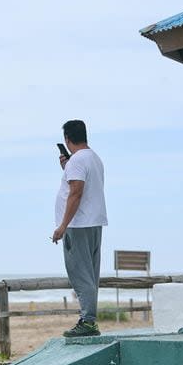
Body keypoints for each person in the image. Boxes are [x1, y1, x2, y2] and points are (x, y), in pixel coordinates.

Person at [51, 120, 107, 337]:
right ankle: (89, 319)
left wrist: (62, 226)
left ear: (67, 139)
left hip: (78, 224)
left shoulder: (78, 161)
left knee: (80, 274)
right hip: (94, 222)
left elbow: (76, 192)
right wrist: (67, 168)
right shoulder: (94, 158)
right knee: (90, 274)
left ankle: (88, 321)